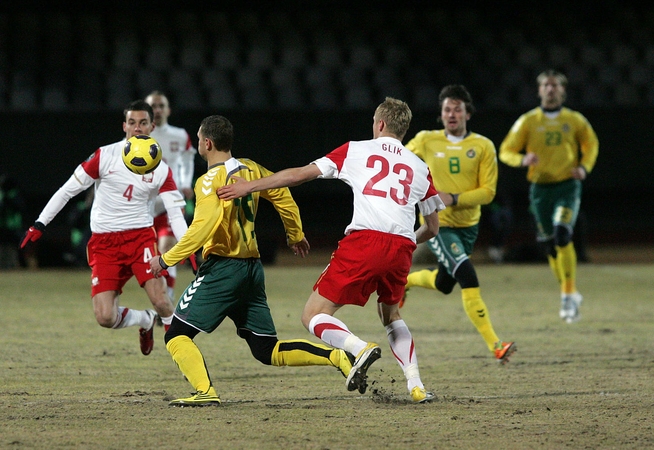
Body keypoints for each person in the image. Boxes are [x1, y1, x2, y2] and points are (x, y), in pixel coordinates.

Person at [218, 97, 445, 403]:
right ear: (404, 129)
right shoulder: (420, 167)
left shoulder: (356, 149)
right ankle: (416, 386)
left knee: (313, 314)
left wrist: (249, 186)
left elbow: (300, 174)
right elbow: (432, 228)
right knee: (391, 315)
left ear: (379, 124)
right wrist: (403, 241)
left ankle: (358, 348)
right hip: (402, 247)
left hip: (365, 241)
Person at [149, 114, 354, 407]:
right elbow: (282, 194)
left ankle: (205, 392)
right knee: (266, 349)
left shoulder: (208, 181)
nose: (198, 143)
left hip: (223, 268)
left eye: (199, 139)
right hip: (252, 270)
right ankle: (335, 356)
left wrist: (166, 260)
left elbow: (202, 227)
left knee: (177, 335)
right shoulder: (252, 169)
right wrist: (294, 234)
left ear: (207, 143)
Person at [20, 100, 190, 355]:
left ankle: (184, 360)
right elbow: (67, 190)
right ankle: (144, 320)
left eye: (143, 122)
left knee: (163, 302)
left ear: (152, 126)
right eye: (132, 122)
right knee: (105, 317)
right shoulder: (104, 156)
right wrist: (40, 223)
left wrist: (189, 244)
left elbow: (175, 214)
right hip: (104, 243)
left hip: (140, 239)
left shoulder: (161, 169)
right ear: (124, 126)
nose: (137, 128)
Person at [399, 85, 516, 364]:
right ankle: (496, 344)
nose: (452, 114)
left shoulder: (483, 146)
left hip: (468, 227)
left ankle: (406, 282)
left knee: (444, 283)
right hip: (437, 224)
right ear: (441, 114)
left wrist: (452, 197)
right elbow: (398, 158)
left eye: (457, 109)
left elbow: (488, 192)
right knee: (467, 275)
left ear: (467, 113)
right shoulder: (427, 140)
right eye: (447, 109)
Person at [499, 69, 599, 323]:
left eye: (555, 85)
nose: (551, 89)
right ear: (539, 90)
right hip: (540, 190)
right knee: (549, 245)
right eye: (546, 85)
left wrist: (584, 167)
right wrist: (523, 159)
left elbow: (591, 144)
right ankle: (569, 291)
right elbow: (505, 150)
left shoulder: (574, 120)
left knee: (563, 234)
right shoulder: (528, 121)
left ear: (563, 90)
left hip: (567, 187)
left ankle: (567, 296)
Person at [145, 91, 197, 299]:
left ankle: (167, 298)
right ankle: (162, 297)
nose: (157, 110)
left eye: (160, 106)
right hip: (145, 204)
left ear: (168, 110)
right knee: (152, 255)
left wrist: (185, 184)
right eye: (153, 106)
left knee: (167, 250)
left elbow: (187, 161)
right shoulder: (138, 136)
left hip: (170, 201)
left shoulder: (179, 135)